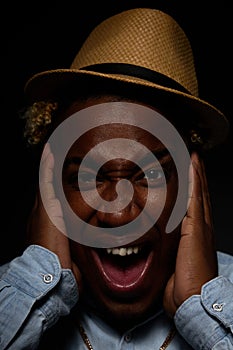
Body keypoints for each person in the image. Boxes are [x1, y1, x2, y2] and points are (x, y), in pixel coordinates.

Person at [0, 7, 232, 350]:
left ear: (192, 181)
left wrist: (201, 310)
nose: (118, 214)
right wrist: (41, 281)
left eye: (151, 174)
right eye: (86, 177)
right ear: (49, 183)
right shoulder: (15, 291)